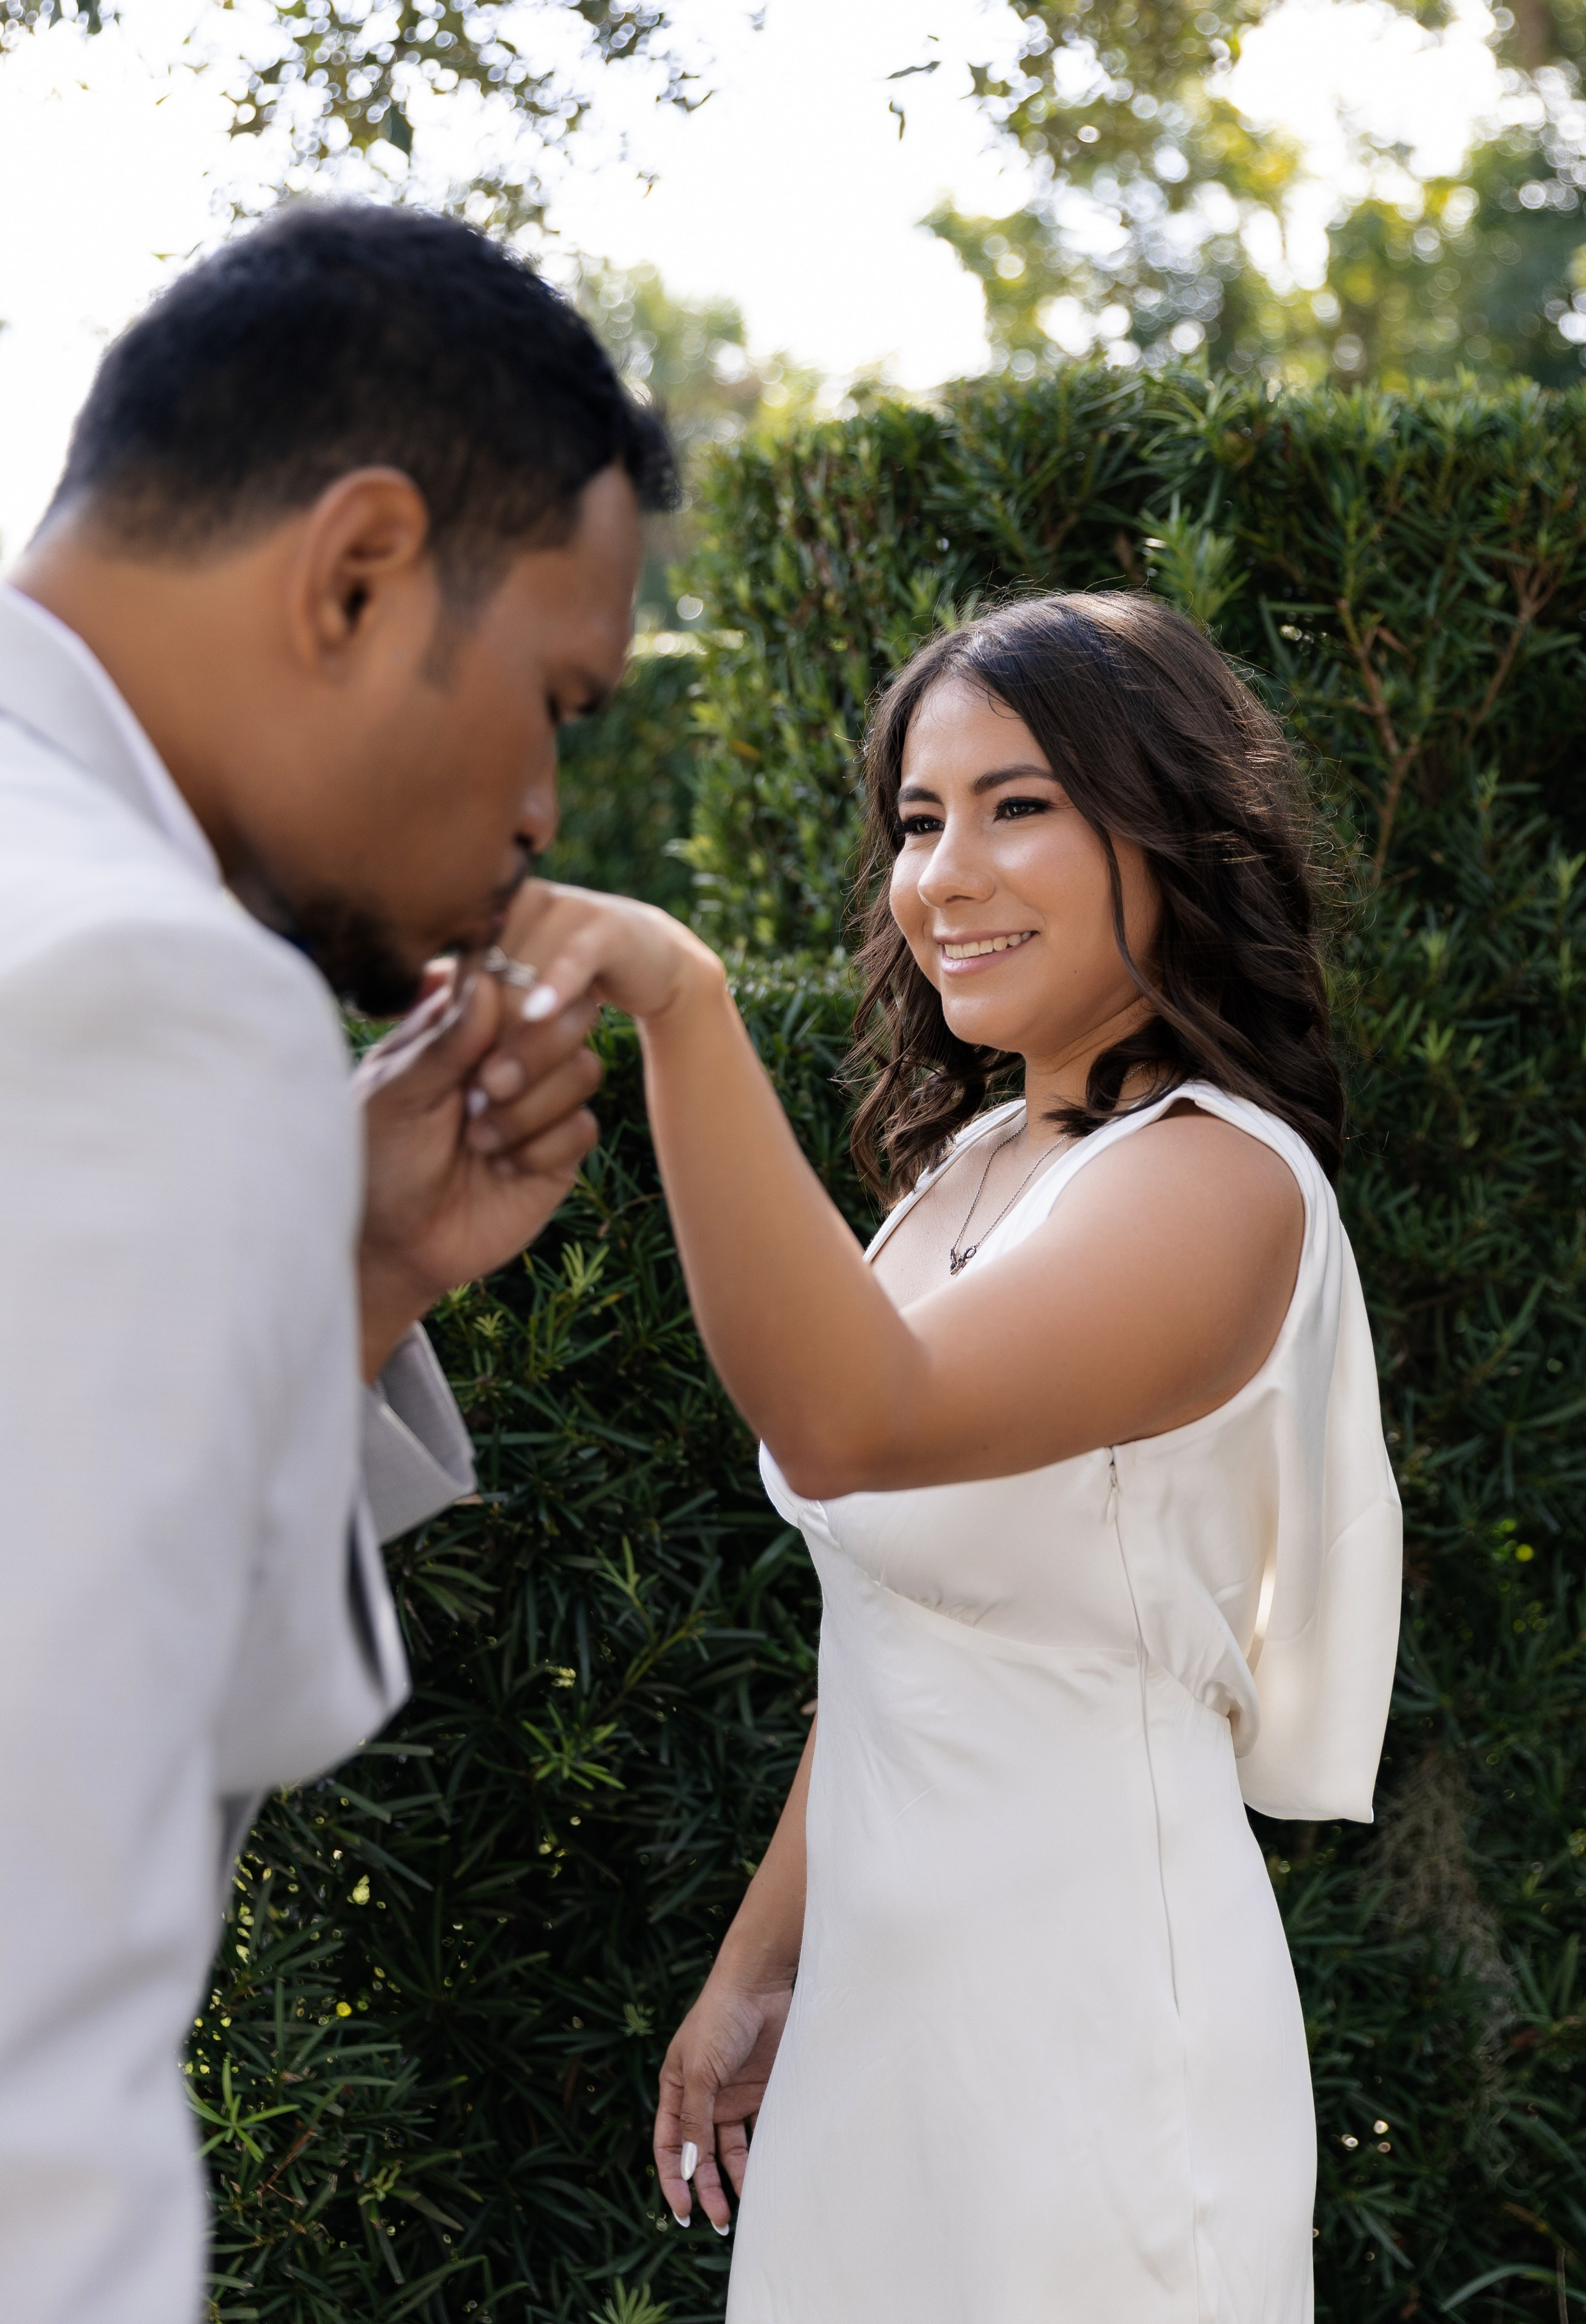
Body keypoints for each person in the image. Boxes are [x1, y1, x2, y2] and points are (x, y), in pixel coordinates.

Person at [506, 592, 1403, 2320]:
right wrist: (762, 1964)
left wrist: (682, 1008)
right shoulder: (972, 1160)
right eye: (920, 819)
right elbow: (905, 1630)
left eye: (1019, 805)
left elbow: (851, 1423)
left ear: (1169, 828)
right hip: (875, 2018)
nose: (943, 873)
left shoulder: (1217, 1186)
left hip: (1093, 2036)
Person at [0, 203, 673, 2321]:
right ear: (360, 570)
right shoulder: (144, 985)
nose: (547, 803)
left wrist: (347, 1275)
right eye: (558, 698)